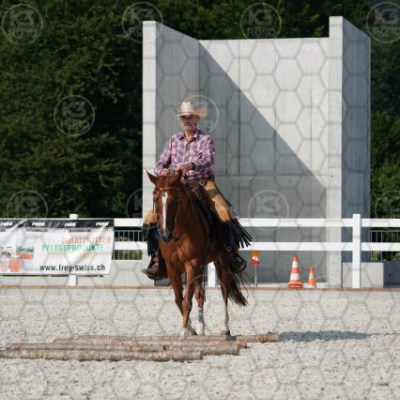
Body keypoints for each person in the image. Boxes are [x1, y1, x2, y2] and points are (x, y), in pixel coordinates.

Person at [142, 100, 248, 280]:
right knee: (150, 217)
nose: (186, 120)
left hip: (202, 183)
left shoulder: (206, 140)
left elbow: (209, 160)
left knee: (223, 210)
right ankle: (157, 257)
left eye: (189, 117)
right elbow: (161, 162)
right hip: (177, 186)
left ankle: (230, 253)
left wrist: (192, 165)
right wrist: (161, 171)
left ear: (197, 118)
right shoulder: (174, 140)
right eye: (183, 117)